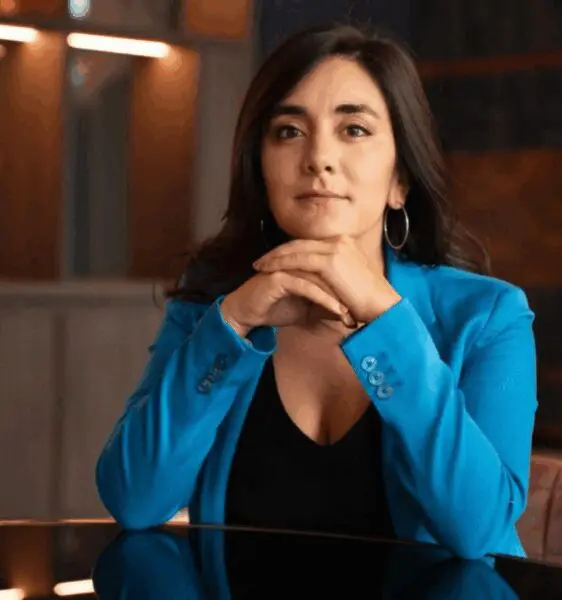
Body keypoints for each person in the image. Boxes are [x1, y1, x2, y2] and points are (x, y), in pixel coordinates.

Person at [95, 22, 537, 560]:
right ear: (261, 170)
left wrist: (386, 320)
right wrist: (232, 324)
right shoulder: (212, 306)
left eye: (354, 129)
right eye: (288, 131)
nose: (318, 158)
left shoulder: (488, 316)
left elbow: (478, 530)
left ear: (400, 180)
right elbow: (135, 500)